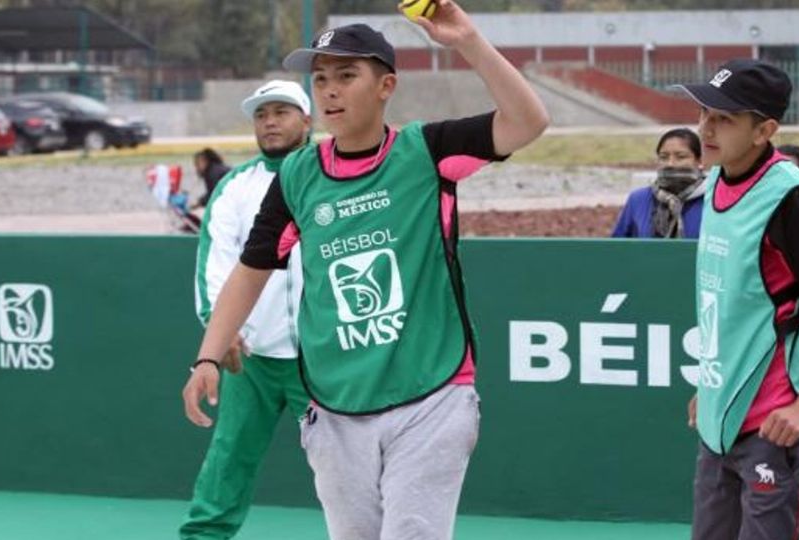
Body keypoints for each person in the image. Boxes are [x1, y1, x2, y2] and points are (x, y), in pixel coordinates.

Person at [182, 2, 549, 539]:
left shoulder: (428, 151)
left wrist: (467, 40)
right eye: (322, 78)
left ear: (385, 86)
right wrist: (208, 354)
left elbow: (528, 122)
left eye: (347, 76)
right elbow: (252, 268)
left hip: (432, 394)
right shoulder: (298, 176)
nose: (329, 90)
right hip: (333, 405)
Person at [675, 59, 799, 540]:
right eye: (704, 112)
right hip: (723, 417)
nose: (706, 128)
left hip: (780, 425)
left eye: (724, 118)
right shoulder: (718, 178)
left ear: (764, 130)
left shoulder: (793, 201)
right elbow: (729, 305)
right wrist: (711, 386)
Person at [179, 80, 311, 539]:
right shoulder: (235, 187)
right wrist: (221, 332)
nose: (270, 121)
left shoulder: (333, 176)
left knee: (349, 466)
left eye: (281, 111)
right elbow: (216, 262)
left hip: (322, 360)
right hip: (249, 357)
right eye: (261, 114)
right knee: (228, 460)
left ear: (306, 120)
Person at [612, 127, 704, 238]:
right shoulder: (638, 200)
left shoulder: (712, 200)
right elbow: (617, 248)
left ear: (699, 161)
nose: (670, 164)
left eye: (681, 157)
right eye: (664, 157)